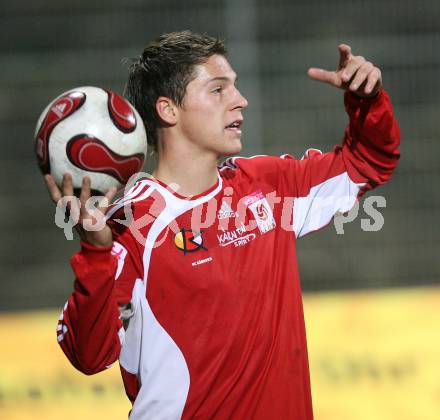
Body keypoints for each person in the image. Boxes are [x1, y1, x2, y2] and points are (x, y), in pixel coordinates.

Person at [45, 31, 400, 419]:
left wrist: (368, 101)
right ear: (168, 110)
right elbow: (90, 356)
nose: (240, 100)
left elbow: (366, 161)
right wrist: (96, 252)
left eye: (234, 87)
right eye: (218, 89)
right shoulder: (130, 226)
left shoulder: (268, 186)